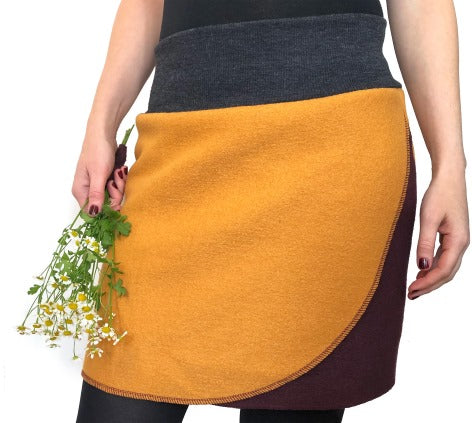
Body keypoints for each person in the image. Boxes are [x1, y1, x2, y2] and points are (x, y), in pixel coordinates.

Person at [73, 1, 469, 422]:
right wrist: (100, 126)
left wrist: (450, 166)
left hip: (330, 149)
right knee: (124, 381)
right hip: (180, 150)